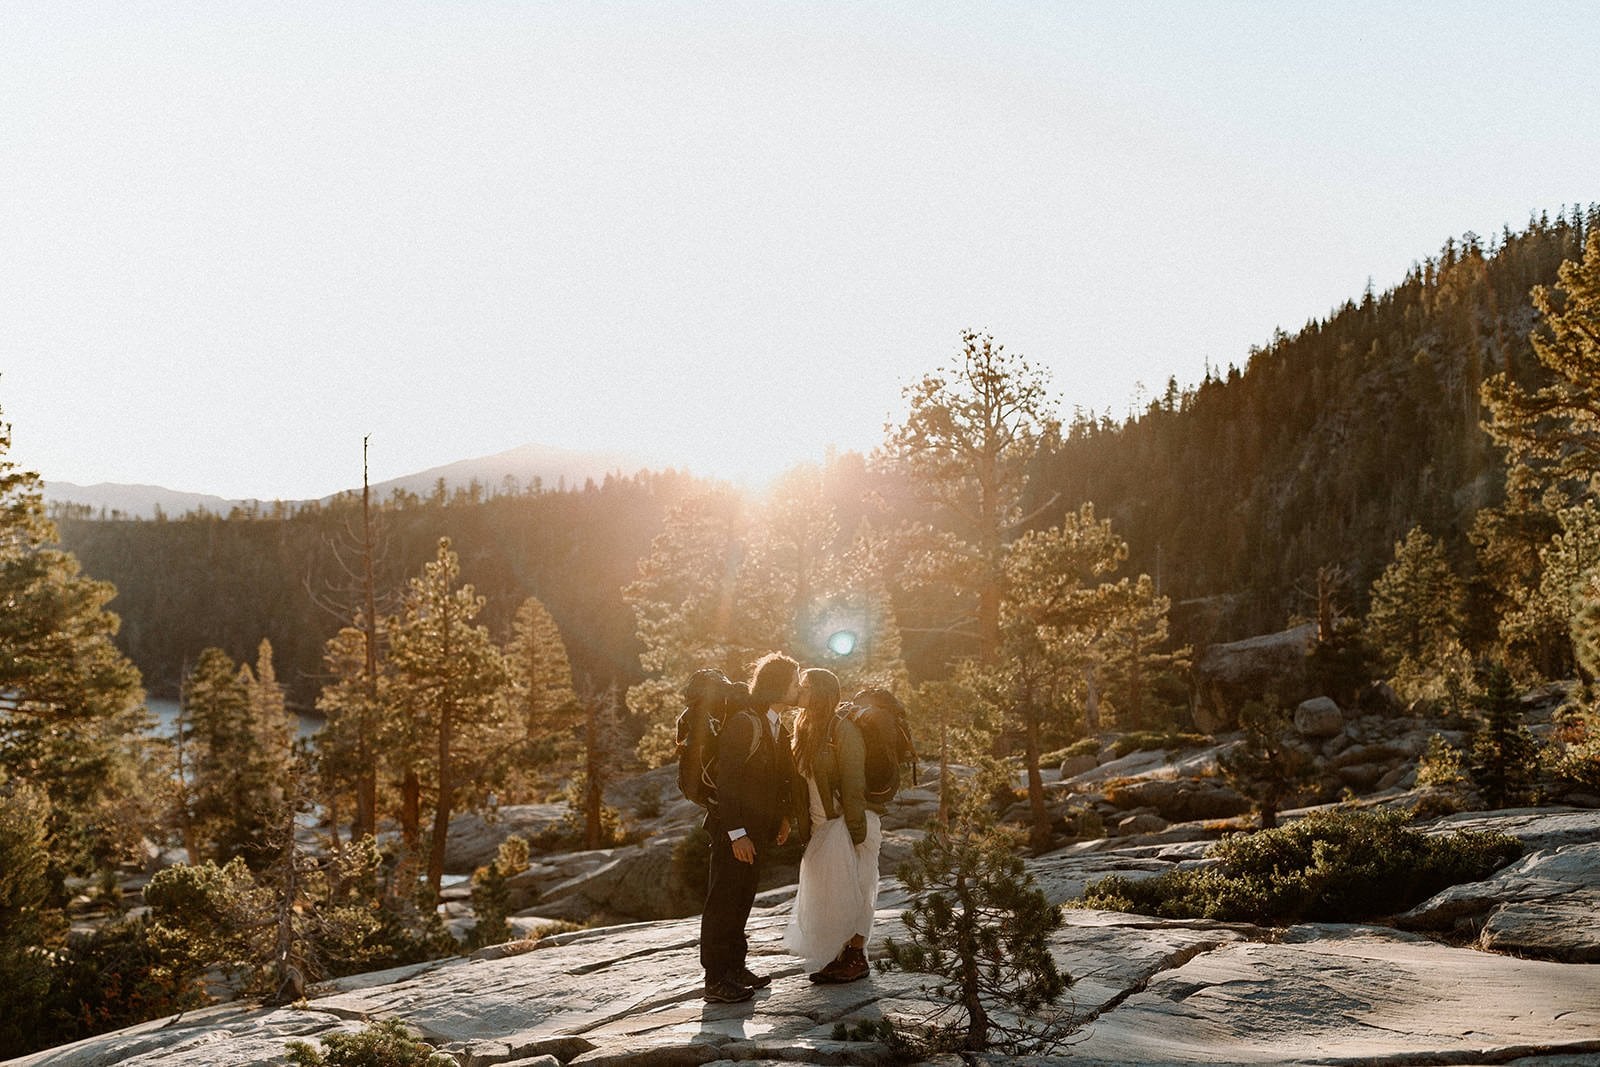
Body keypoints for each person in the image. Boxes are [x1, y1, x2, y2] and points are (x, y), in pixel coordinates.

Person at [699, 652, 797, 1003]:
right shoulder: (745, 722)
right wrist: (736, 833)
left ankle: (735, 967)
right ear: (777, 686)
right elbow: (728, 782)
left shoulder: (776, 726)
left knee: (742, 899)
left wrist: (782, 817)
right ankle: (715, 979)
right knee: (723, 900)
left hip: (757, 830)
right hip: (733, 832)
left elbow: (778, 780)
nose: (798, 689)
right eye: (793, 683)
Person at [782, 668, 882, 983]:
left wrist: (855, 831)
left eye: (805, 686)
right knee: (829, 897)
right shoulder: (804, 728)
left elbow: (853, 783)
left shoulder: (844, 730)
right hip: (820, 828)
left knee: (858, 888)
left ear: (822, 692)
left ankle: (856, 957)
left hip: (850, 824)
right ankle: (839, 957)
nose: (799, 690)